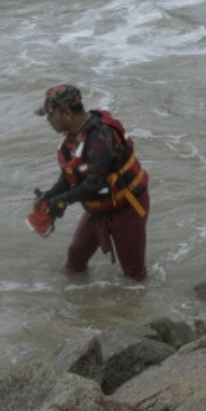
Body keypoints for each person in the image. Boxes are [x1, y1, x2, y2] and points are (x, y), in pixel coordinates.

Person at [33, 83, 150, 281]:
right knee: (74, 261)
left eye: (50, 115)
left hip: (126, 208)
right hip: (98, 209)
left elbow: (95, 182)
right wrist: (50, 196)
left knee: (134, 275)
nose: (48, 121)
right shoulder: (73, 136)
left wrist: (63, 201)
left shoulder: (99, 137)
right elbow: (70, 176)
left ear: (67, 113)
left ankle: (139, 309)